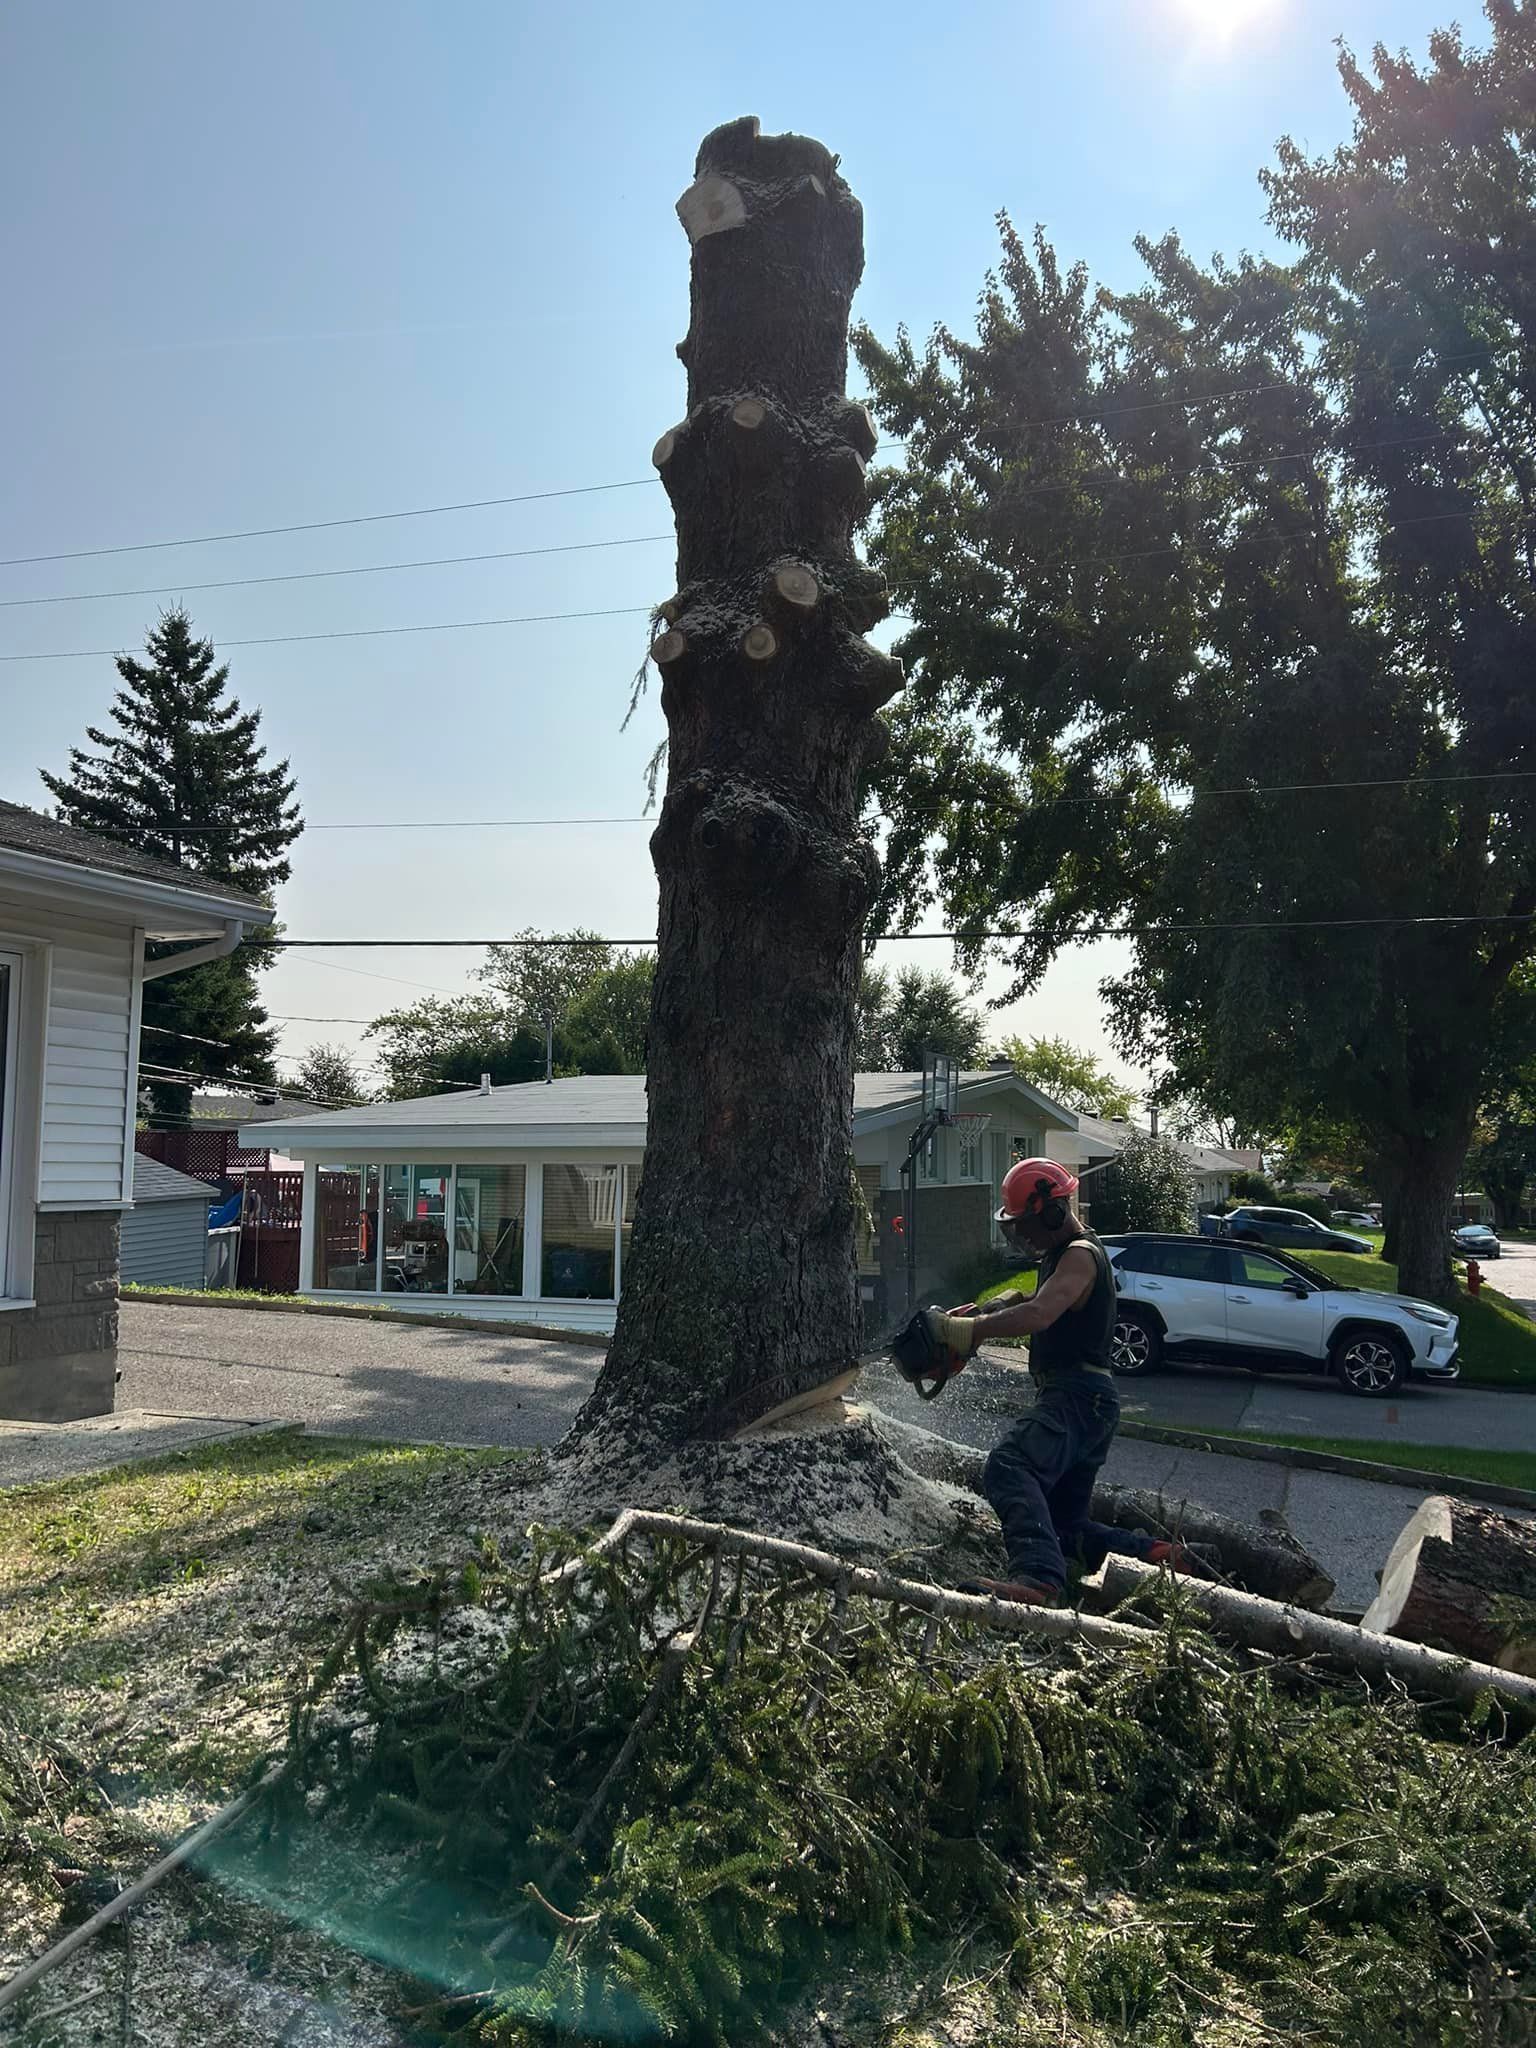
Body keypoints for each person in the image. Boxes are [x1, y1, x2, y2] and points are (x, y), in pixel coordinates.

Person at [922, 1158, 1202, 1606]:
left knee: (1009, 1466)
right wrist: (994, 1309)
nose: (1025, 1235)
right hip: (1088, 1400)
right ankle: (1163, 1556)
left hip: (1077, 1394)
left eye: (1029, 1223)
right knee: (1066, 1525)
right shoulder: (1060, 1256)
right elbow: (1040, 1303)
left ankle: (1037, 1579)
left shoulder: (1080, 1254)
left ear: (1053, 1210)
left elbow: (1042, 1314)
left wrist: (968, 1333)